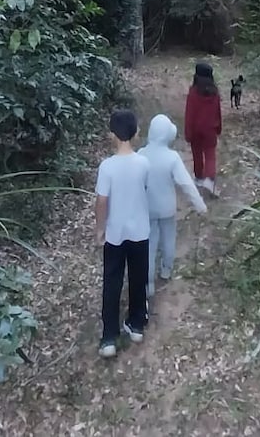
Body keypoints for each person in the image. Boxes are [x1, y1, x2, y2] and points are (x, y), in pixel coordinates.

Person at [94, 109, 151, 359]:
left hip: (115, 234)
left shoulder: (107, 167)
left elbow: (101, 201)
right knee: (138, 278)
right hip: (140, 231)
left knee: (112, 281)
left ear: (111, 136)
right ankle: (136, 325)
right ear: (136, 133)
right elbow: (144, 189)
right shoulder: (143, 163)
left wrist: (99, 229)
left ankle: (109, 337)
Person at [137, 114, 207, 300]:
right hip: (167, 209)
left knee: (149, 246)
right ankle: (166, 270)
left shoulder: (141, 155)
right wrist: (199, 205)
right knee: (168, 240)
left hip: (148, 209)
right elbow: (186, 184)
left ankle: (148, 284)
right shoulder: (172, 157)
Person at [184, 62, 223, 196]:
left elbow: (189, 114)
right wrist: (218, 127)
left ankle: (199, 177)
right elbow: (218, 112)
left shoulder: (193, 93)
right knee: (210, 155)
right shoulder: (215, 94)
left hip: (195, 129)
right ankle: (209, 179)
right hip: (210, 129)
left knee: (197, 154)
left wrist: (188, 132)